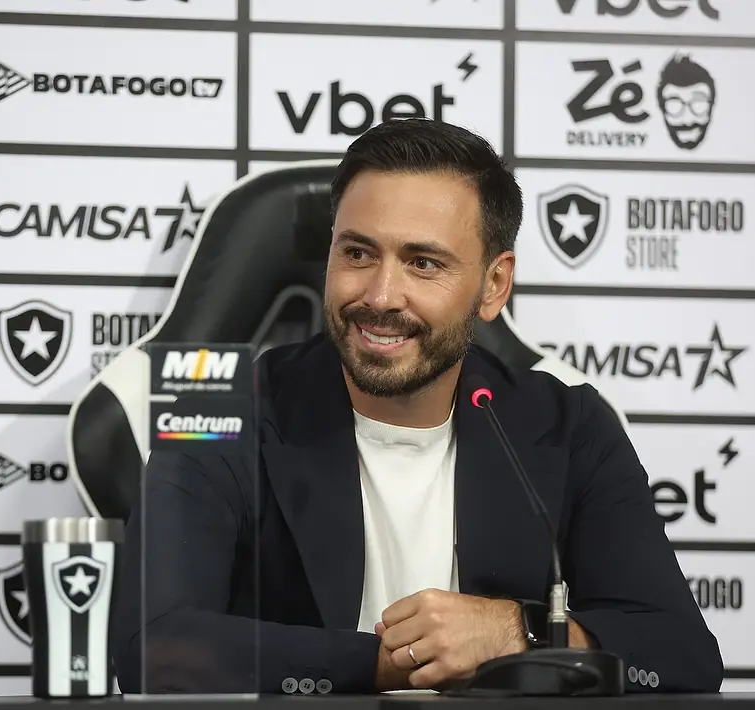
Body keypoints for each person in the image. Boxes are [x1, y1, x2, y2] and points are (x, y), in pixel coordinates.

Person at [108, 118, 723, 695]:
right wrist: (392, 661)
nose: (380, 296)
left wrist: (518, 633)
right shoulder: (219, 413)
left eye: (423, 263)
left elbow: (681, 653)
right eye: (357, 253)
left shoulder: (568, 427)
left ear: (493, 285)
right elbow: (151, 647)